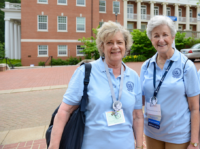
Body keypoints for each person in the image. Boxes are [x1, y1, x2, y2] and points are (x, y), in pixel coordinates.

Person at [48, 21, 144, 149]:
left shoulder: (133, 76)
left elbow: (137, 116)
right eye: (109, 43)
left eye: (119, 42)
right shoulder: (86, 72)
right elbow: (65, 110)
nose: (115, 46)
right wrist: (53, 146)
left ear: (126, 46)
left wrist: (139, 145)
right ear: (102, 47)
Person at [140, 16, 200, 149]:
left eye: (165, 35)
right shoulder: (146, 66)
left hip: (177, 133)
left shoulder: (186, 66)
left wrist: (194, 142)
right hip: (151, 131)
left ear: (173, 37)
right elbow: (140, 100)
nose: (161, 40)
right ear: (151, 39)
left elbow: (195, 107)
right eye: (156, 35)